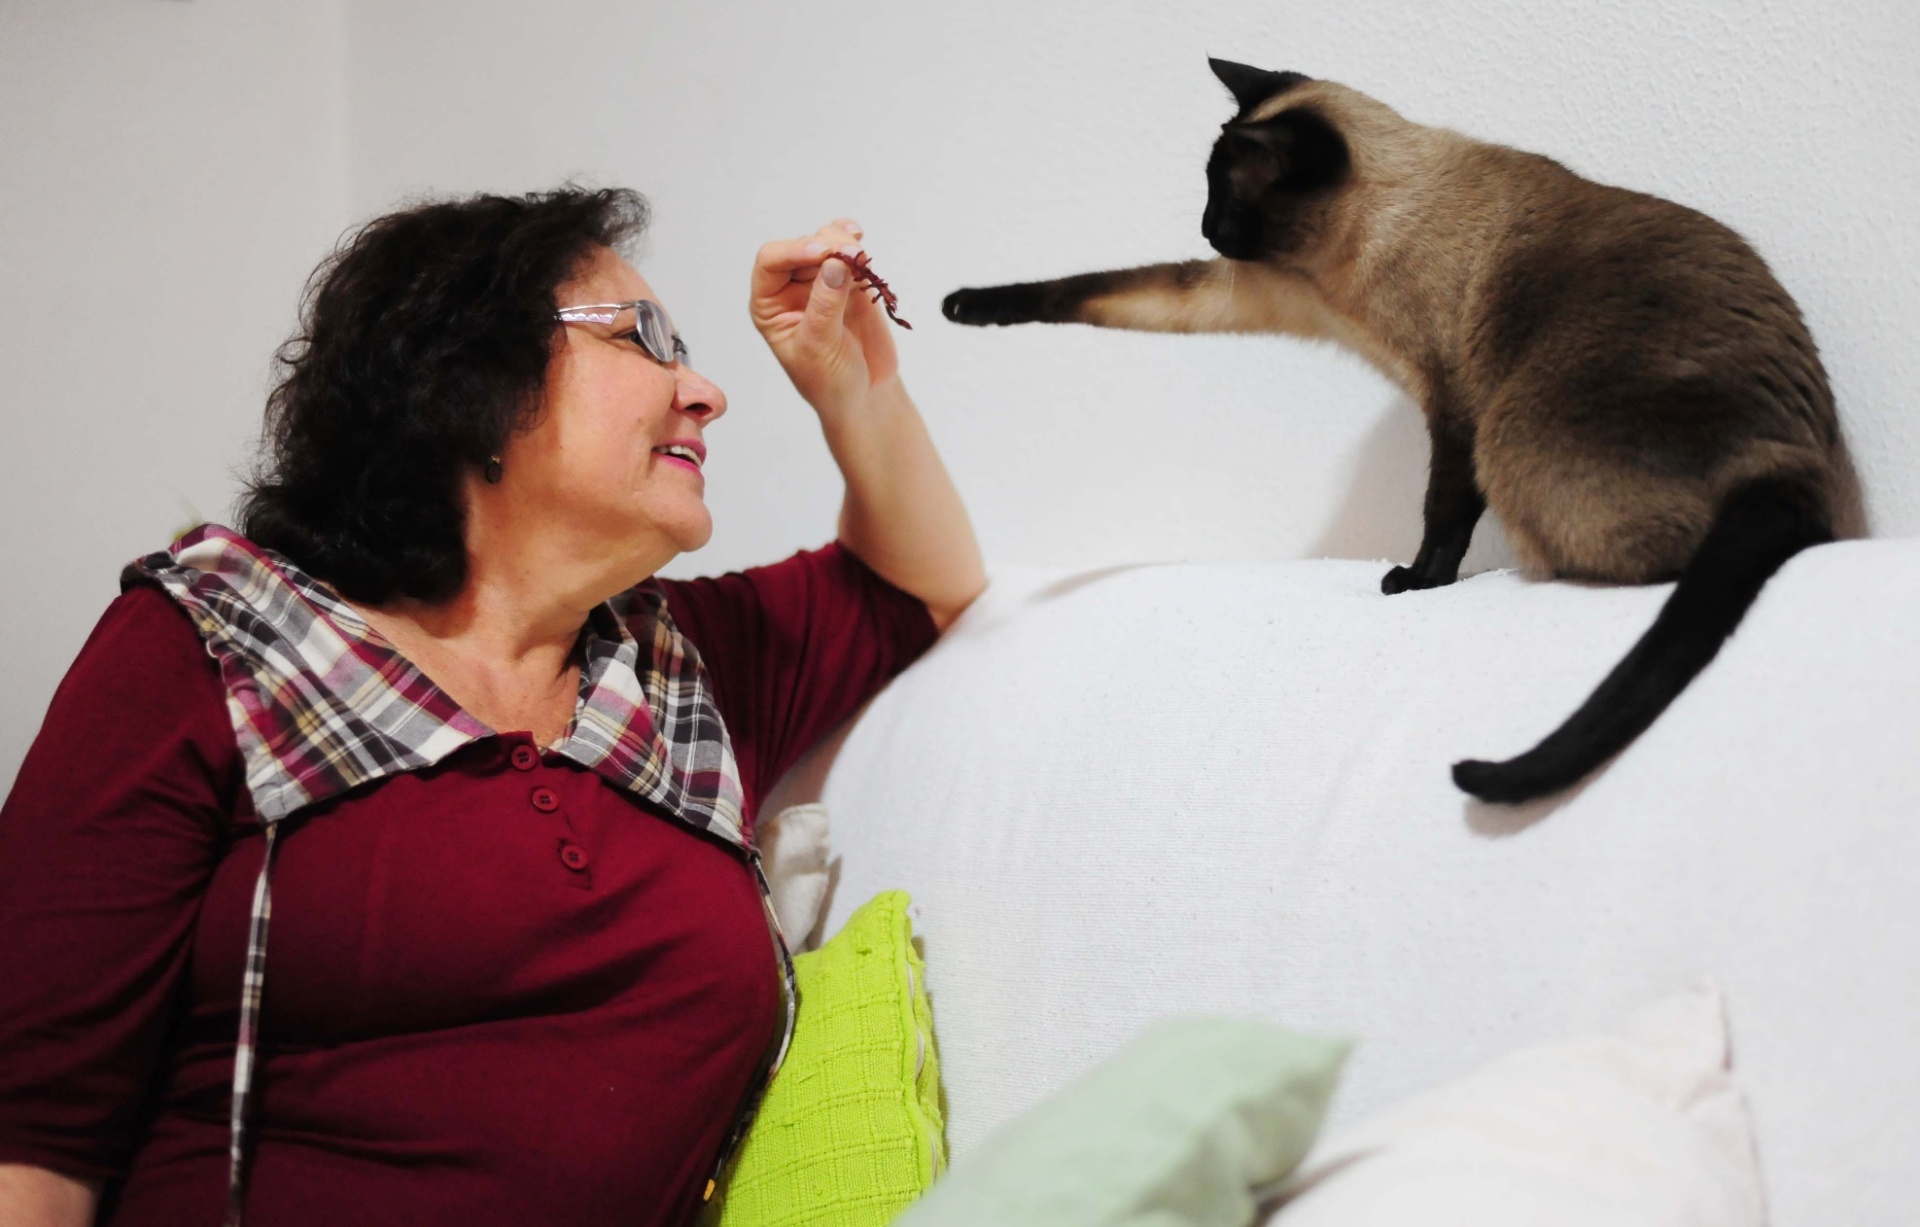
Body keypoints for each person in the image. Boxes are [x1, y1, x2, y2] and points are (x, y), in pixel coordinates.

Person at [0, 187, 984, 1227]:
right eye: (641, 340)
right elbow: (31, 1137)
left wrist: (851, 388)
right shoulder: (215, 642)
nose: (704, 392)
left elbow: (919, 583)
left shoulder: (677, 669)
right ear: (468, 377)